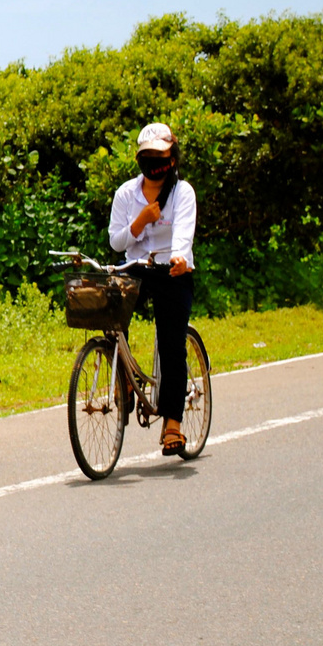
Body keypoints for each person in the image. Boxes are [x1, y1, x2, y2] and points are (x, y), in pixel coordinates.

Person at [109, 122, 197, 455]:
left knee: (171, 343)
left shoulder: (182, 192)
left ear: (172, 158)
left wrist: (178, 257)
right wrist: (141, 221)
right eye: (146, 156)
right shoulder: (126, 194)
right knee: (110, 317)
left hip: (172, 269)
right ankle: (124, 386)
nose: (153, 162)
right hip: (136, 267)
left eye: (159, 156)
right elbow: (116, 241)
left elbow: (183, 234)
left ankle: (173, 422)